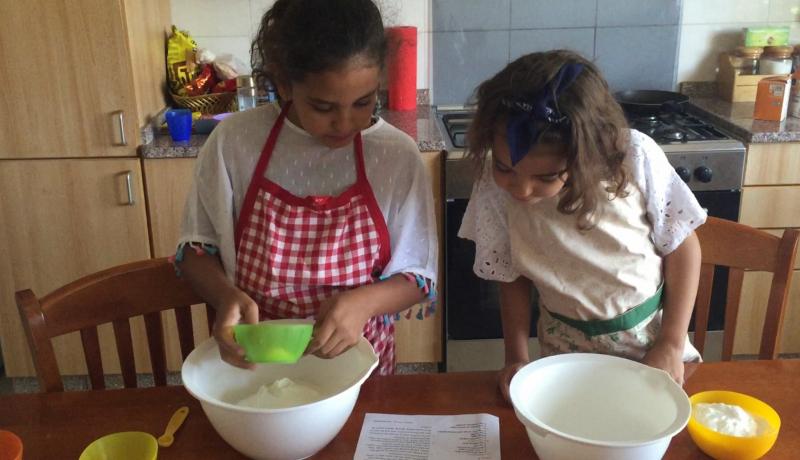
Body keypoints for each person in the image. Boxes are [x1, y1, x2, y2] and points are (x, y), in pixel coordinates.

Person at [174, 0, 437, 375]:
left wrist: (365, 302)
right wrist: (225, 296)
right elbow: (196, 251)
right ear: (284, 83)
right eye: (323, 106)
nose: (345, 123)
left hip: (358, 364)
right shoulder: (236, 142)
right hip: (258, 357)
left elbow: (419, 278)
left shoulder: (395, 156)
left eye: (364, 102)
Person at [458, 50, 704, 402]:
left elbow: (683, 246)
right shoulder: (495, 187)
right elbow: (509, 274)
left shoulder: (632, 157)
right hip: (563, 353)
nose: (521, 190)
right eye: (504, 167)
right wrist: (516, 358)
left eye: (545, 176)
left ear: (588, 154)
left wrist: (670, 342)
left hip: (652, 347)